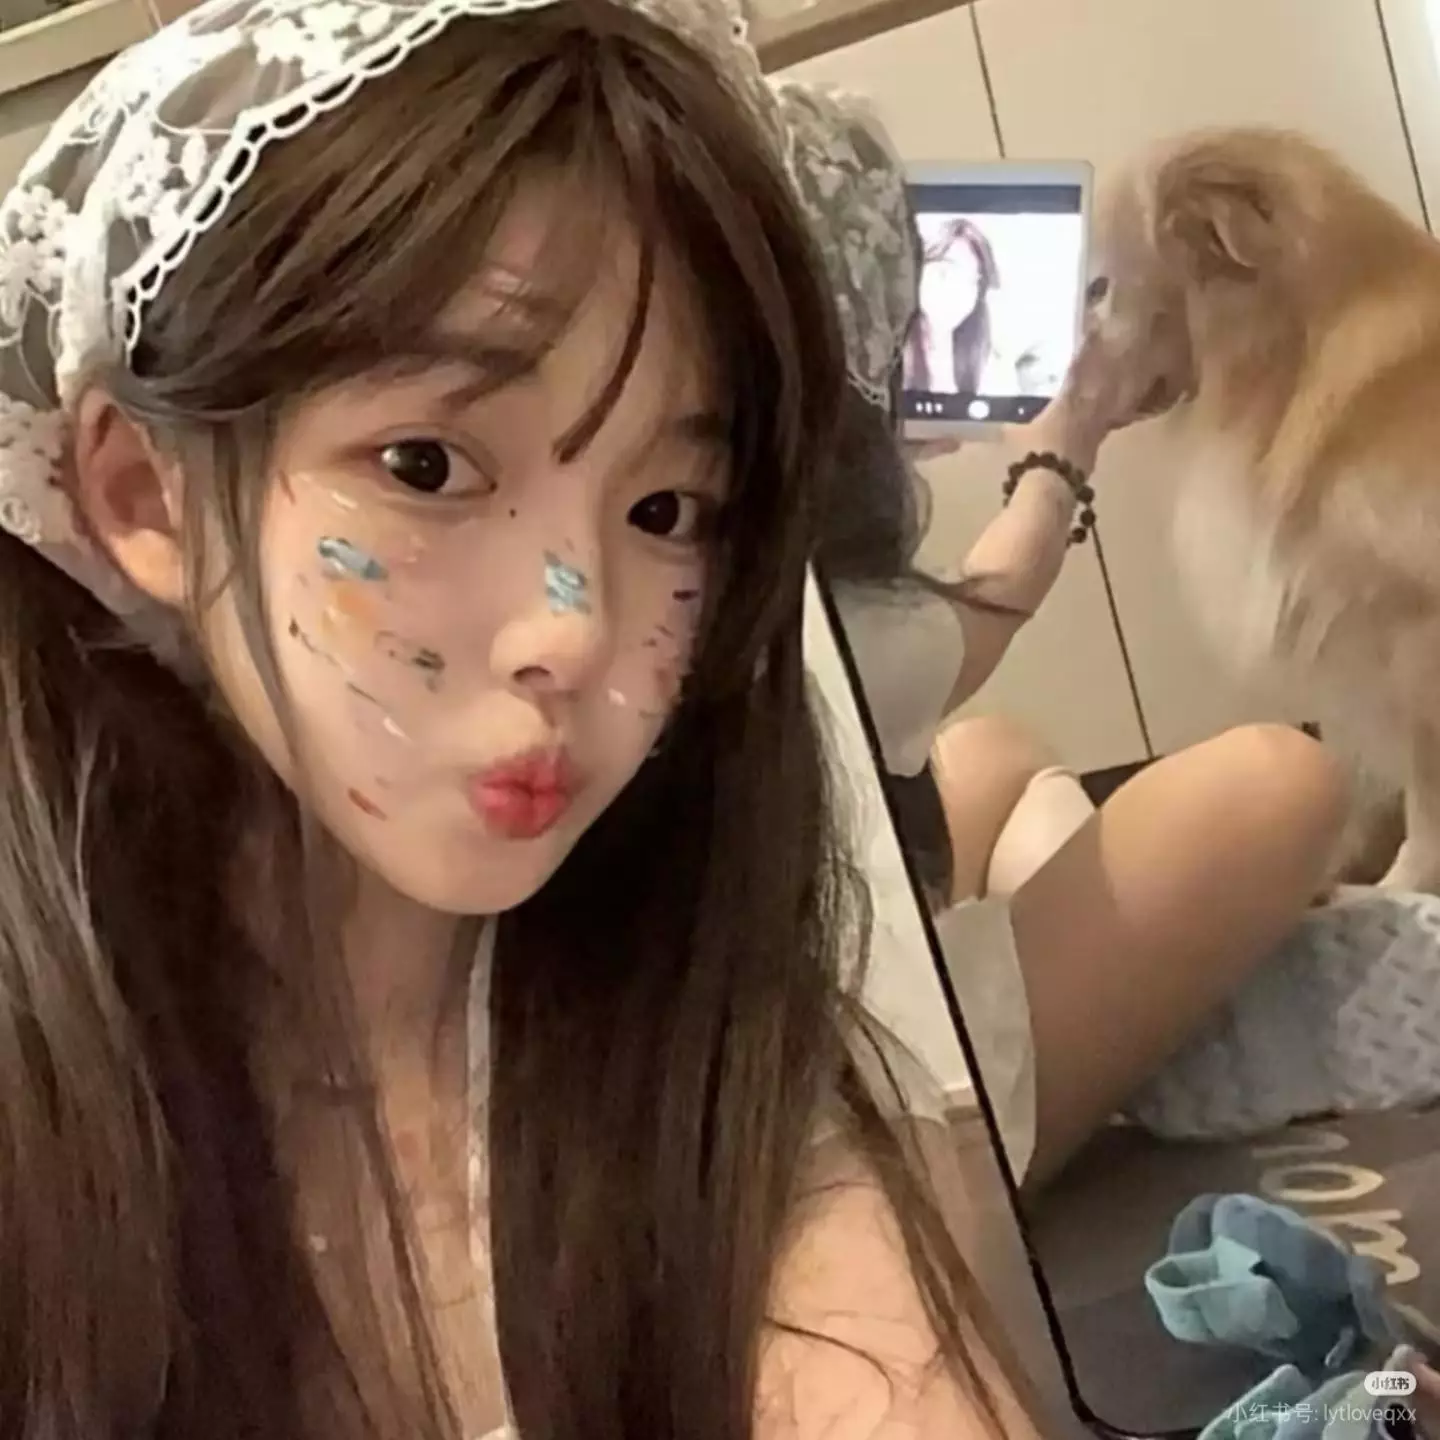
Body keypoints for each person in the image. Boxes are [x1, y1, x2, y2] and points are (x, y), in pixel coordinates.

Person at [0, 5, 1049, 1439]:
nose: (577, 624)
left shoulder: (690, 1047)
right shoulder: (54, 1111)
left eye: (666, 509)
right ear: (143, 493)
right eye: (427, 466)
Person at [782, 83, 1347, 1188]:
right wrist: (1068, 438)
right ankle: (1152, 1018)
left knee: (993, 754)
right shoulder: (802, 599)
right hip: (876, 1119)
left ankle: (1120, 967)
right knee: (1279, 780)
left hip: (820, 929)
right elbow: (985, 606)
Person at [903, 216, 1000, 396]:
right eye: (946, 271)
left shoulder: (986, 363)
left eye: (971, 280)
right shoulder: (886, 353)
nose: (958, 292)